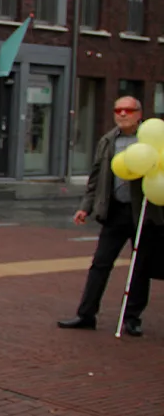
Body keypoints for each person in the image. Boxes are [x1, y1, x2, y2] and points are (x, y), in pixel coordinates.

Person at [59, 96, 162, 336]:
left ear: (139, 113)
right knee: (100, 264)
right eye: (118, 110)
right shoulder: (108, 140)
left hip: (143, 213)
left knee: (140, 267)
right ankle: (86, 314)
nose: (122, 114)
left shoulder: (152, 140)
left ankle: (132, 318)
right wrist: (86, 206)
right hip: (114, 211)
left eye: (128, 110)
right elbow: (95, 177)